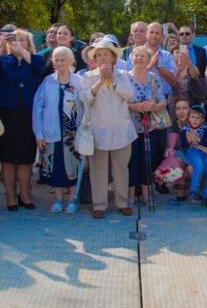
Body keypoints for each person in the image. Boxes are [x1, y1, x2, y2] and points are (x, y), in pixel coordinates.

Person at [79, 38, 136, 218]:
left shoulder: (123, 74)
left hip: (121, 130)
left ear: (113, 57)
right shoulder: (88, 77)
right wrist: (100, 81)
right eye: (99, 55)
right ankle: (99, 205)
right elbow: (85, 99)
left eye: (106, 54)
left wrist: (111, 79)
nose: (102, 57)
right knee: (99, 170)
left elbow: (129, 94)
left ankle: (122, 202)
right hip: (98, 130)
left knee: (121, 168)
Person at [0, 29, 44, 210]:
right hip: (7, 113)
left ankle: (25, 194)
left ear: (29, 44)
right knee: (8, 158)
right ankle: (10, 195)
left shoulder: (35, 60)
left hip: (28, 114)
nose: (18, 43)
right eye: (15, 40)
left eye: (22, 40)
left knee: (25, 158)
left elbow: (39, 69)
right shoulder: (3, 60)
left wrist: (22, 52)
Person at [33, 46, 84, 213]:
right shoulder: (48, 81)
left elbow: (85, 108)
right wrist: (39, 133)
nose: (60, 62)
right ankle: (58, 199)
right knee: (55, 167)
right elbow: (38, 107)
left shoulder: (79, 81)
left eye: (63, 59)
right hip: (51, 132)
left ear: (70, 61)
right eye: (56, 59)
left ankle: (72, 199)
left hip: (72, 134)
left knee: (73, 167)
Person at [126, 47, 169, 205]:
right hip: (129, 128)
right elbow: (120, 102)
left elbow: (163, 100)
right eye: (136, 55)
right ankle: (130, 195)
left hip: (149, 127)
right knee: (131, 161)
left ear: (148, 59)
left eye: (143, 56)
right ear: (131, 58)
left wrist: (153, 107)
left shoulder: (153, 77)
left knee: (146, 160)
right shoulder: (125, 77)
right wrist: (134, 107)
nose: (139, 58)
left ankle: (146, 194)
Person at [180, 104, 207, 205]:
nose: (194, 120)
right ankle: (193, 191)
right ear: (189, 118)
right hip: (192, 151)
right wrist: (188, 140)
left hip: (204, 152)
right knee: (199, 165)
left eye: (198, 118)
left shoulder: (205, 128)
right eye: (192, 117)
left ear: (202, 120)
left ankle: (205, 196)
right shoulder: (185, 129)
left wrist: (198, 139)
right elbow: (183, 145)